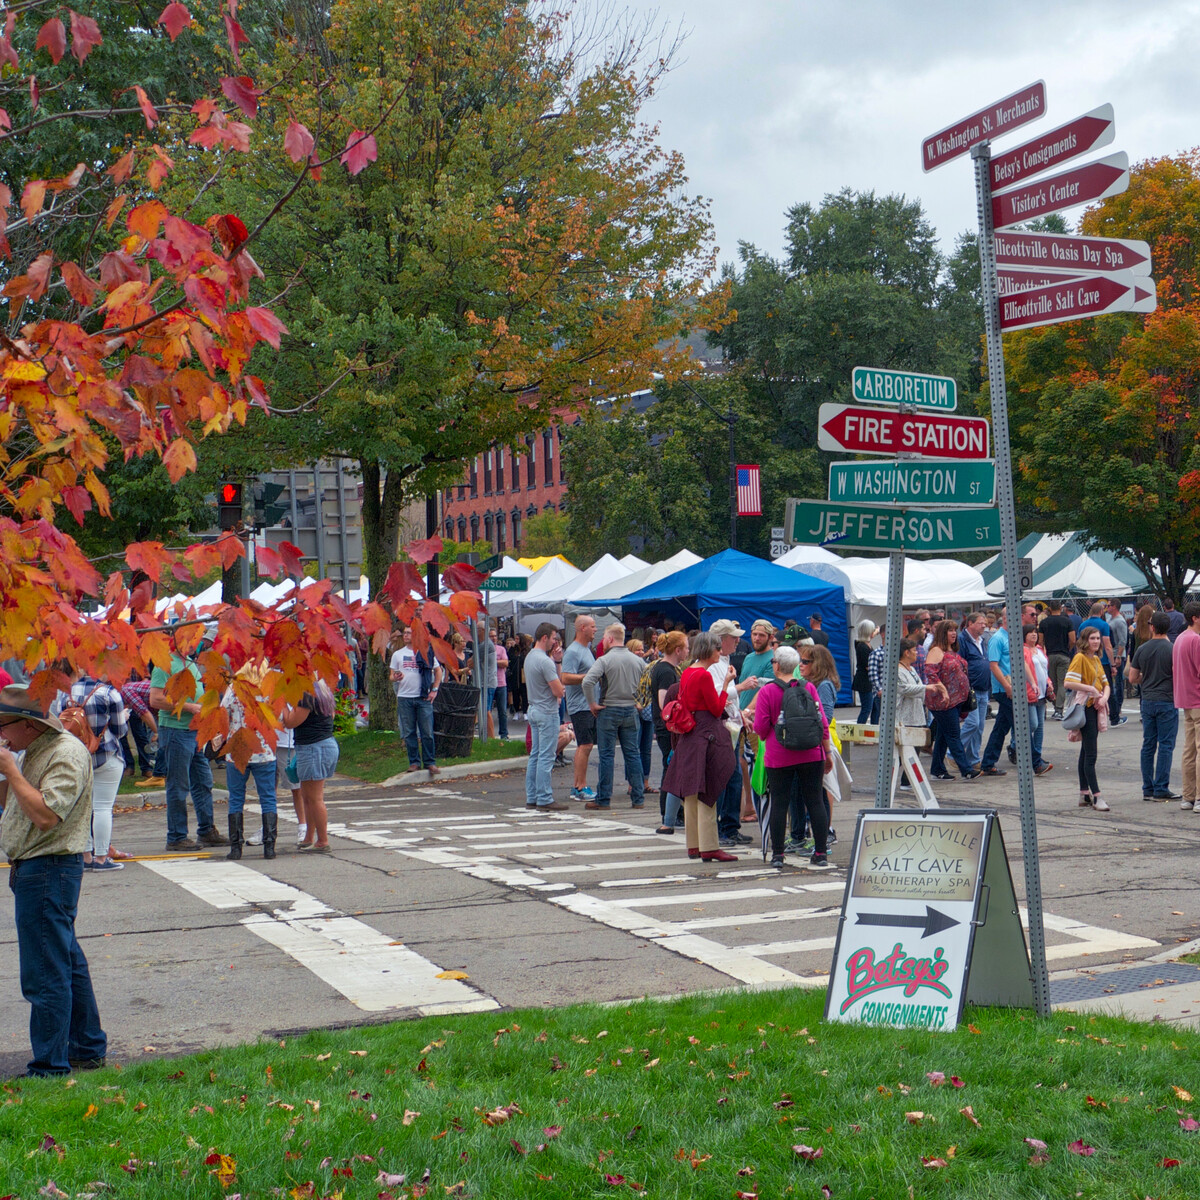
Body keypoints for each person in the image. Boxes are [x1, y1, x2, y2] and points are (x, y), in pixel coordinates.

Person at [0, 684, 107, 1076]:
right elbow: (15, 802)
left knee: (45, 973)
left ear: (28, 725)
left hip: (49, 869)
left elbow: (46, 815)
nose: (2, 734)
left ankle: (49, 1067)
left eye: (4, 725)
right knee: (64, 960)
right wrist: (8, 772)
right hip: (38, 869)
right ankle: (87, 1046)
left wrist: (11, 767)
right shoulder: (34, 751)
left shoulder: (65, 754)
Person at [753, 645, 834, 870]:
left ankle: (778, 855)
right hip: (811, 752)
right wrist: (827, 752)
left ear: (776, 665)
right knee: (815, 800)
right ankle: (820, 852)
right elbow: (822, 723)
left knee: (780, 802)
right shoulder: (809, 687)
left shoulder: (768, 691)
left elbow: (760, 728)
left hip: (779, 755)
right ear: (797, 666)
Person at [662, 631, 738, 863]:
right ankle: (709, 846)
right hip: (707, 734)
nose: (720, 652)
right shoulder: (704, 675)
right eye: (717, 648)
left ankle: (693, 845)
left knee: (692, 792)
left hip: (690, 736)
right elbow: (716, 709)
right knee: (709, 790)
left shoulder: (687, 672)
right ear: (708, 650)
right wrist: (725, 684)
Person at [149, 637, 228, 851]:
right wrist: (190, 708)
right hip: (176, 731)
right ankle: (176, 837)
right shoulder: (164, 665)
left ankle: (207, 831)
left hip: (195, 732)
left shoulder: (190, 664)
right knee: (178, 784)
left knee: (203, 781)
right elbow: (155, 700)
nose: (195, 645)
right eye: (192, 640)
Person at [56, 668, 129, 872]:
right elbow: (120, 730)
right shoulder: (109, 693)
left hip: (76, 757)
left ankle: (86, 856)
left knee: (83, 808)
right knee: (103, 808)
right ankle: (101, 857)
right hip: (105, 754)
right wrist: (123, 716)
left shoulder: (66, 692)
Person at [582, 623, 646, 810]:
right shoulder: (637, 660)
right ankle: (638, 798)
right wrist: (639, 701)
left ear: (610, 639)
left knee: (607, 755)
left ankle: (603, 799)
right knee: (633, 754)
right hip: (630, 708)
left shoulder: (604, 660)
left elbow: (587, 682)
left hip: (609, 708)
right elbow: (646, 682)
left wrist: (592, 703)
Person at [218, 663, 278, 859]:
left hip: (237, 751)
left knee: (236, 798)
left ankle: (236, 848)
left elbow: (223, 714)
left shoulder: (233, 690)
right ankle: (269, 846)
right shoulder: (269, 690)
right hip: (264, 751)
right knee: (267, 797)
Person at [708, 619, 751, 848]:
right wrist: (740, 688)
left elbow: (724, 696)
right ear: (721, 639)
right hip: (722, 727)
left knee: (733, 777)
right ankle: (723, 828)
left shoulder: (722, 661)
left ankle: (729, 827)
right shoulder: (713, 664)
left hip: (730, 724)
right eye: (733, 637)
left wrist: (740, 714)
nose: (738, 640)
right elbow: (717, 695)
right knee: (727, 777)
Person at [1128, 611, 1179, 802]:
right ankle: (1161, 787)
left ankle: (1147, 787)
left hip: (1147, 699)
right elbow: (1177, 675)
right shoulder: (1171, 649)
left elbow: (1133, 677)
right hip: (1166, 699)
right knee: (1166, 744)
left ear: (1152, 627)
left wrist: (1146, 679)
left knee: (1148, 744)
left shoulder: (1142, 649)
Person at [285, 678, 339, 852]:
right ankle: (309, 836)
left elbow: (291, 721)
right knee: (307, 796)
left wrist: (280, 705)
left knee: (314, 798)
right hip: (321, 745)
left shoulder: (306, 694)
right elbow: (331, 715)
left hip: (313, 747)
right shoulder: (323, 691)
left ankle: (323, 840)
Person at [797, 643, 841, 848]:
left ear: (818, 664)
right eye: (800, 660)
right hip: (813, 742)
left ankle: (824, 834)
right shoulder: (807, 683)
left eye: (806, 661)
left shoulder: (823, 685)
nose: (801, 664)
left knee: (822, 791)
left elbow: (825, 716)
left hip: (822, 744)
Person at [1064, 626, 1111, 812]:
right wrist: (1091, 690)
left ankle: (1084, 794)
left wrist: (1105, 697)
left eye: (1098, 638)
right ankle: (1097, 797)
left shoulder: (1097, 659)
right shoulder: (1080, 658)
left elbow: (1106, 683)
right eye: (1092, 638)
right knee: (1091, 754)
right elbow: (1068, 682)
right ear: (1085, 640)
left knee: (1086, 752)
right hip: (1087, 708)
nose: (1096, 641)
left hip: (1096, 707)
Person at [924, 620, 978, 780]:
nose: (954, 633)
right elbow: (930, 672)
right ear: (942, 633)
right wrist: (942, 689)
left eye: (955, 630)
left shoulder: (952, 651)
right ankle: (966, 769)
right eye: (949, 630)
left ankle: (937, 770)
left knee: (942, 736)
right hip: (942, 702)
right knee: (954, 734)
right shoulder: (936, 650)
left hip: (956, 701)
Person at [524, 623, 567, 812]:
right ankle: (544, 797)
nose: (555, 642)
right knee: (546, 756)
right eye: (553, 638)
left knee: (536, 755)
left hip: (533, 707)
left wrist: (557, 662)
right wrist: (556, 667)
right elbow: (559, 690)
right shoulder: (544, 661)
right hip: (546, 711)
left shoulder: (530, 657)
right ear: (544, 638)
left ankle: (532, 795)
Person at [389, 625, 442, 775]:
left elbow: (438, 671)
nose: (405, 635)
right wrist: (395, 677)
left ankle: (430, 762)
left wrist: (434, 690)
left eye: (409, 633)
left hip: (423, 697)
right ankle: (414, 762)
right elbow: (391, 675)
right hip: (405, 697)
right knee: (409, 732)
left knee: (427, 732)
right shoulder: (397, 654)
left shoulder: (426, 652)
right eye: (404, 633)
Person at [737, 620, 775, 820]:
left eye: (761, 635)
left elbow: (763, 691)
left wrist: (748, 711)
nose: (757, 638)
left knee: (757, 762)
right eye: (754, 634)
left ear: (770, 637)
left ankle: (760, 804)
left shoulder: (772, 660)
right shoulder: (749, 657)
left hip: (755, 719)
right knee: (742, 762)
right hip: (742, 717)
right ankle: (750, 805)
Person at [651, 631, 687, 834]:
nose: (688, 652)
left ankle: (671, 812)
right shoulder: (666, 671)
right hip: (667, 728)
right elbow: (664, 702)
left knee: (670, 767)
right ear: (678, 650)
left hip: (666, 727)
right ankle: (668, 812)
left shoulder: (667, 668)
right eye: (686, 648)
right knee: (670, 768)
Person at [561, 616, 598, 802]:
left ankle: (578, 786)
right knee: (586, 745)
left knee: (585, 745)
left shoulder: (586, 649)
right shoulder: (573, 651)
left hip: (588, 705)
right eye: (592, 626)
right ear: (582, 628)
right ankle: (580, 787)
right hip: (579, 706)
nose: (596, 629)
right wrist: (590, 676)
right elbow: (565, 678)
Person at [1172, 602, 1200, 812]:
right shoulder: (1196, 640)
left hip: (1185, 698)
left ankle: (1188, 796)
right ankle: (1198, 797)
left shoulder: (1180, 639)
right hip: (1198, 698)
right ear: (1195, 618)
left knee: (1189, 750)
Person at [958, 612, 991, 768]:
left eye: (984, 623)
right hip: (970, 689)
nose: (984, 625)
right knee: (973, 723)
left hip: (983, 688)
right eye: (980, 623)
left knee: (980, 727)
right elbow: (960, 664)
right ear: (970, 624)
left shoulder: (982, 641)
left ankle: (973, 758)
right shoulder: (962, 640)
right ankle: (953, 753)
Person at [1022, 624, 1054, 777]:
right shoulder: (1023, 650)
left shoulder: (1040, 649)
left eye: (1035, 632)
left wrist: (1048, 682)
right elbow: (1026, 667)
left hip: (1041, 693)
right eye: (1030, 633)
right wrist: (1034, 684)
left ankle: (1037, 757)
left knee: (1040, 726)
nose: (1034, 635)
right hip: (1029, 692)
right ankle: (1030, 756)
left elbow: (1043, 669)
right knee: (1032, 724)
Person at [897, 638, 947, 731]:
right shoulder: (898, 670)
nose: (916, 653)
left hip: (917, 717)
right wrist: (927, 687)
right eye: (914, 650)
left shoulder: (912, 669)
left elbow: (919, 689)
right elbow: (904, 689)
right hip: (904, 719)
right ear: (906, 653)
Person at [119, 675, 159, 783]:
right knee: (121, 735)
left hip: (135, 700)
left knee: (140, 734)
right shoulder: (128, 691)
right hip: (135, 702)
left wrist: (157, 732)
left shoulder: (127, 691)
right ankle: (130, 767)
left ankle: (149, 769)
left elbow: (144, 712)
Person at [1040, 600, 1076, 719]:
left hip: (1049, 655)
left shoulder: (1044, 622)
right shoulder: (1067, 621)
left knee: (1053, 682)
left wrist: (1044, 651)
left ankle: (1055, 706)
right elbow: (1073, 639)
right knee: (1062, 683)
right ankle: (1059, 710)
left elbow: (1040, 641)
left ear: (1050, 608)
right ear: (1060, 608)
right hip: (1063, 654)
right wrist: (1068, 648)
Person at [1105, 600, 1129, 725]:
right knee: (1112, 682)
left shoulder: (1119, 621)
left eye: (1109, 606)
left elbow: (1122, 640)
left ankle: (1117, 708)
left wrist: (1119, 656)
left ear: (1114, 607)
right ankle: (1113, 708)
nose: (1107, 608)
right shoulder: (1110, 619)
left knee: (1118, 683)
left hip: (1117, 655)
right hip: (1111, 655)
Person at [853, 621, 877, 725]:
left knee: (875, 707)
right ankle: (860, 731)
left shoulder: (866, 644)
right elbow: (868, 666)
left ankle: (874, 729)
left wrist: (877, 631)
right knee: (866, 708)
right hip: (864, 681)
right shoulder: (862, 646)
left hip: (869, 681)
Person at [866, 626, 888, 725]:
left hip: (892, 692)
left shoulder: (896, 654)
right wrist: (879, 690)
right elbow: (872, 674)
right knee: (877, 719)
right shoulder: (876, 654)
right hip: (880, 693)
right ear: (883, 634)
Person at [493, 630, 509, 739]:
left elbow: (505, 663)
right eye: (491, 636)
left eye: (494, 636)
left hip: (501, 683)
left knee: (502, 711)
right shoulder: (484, 649)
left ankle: (504, 734)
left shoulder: (501, 649)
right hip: (489, 684)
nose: (493, 638)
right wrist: (498, 662)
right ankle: (488, 735)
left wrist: (492, 661)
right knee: (487, 710)